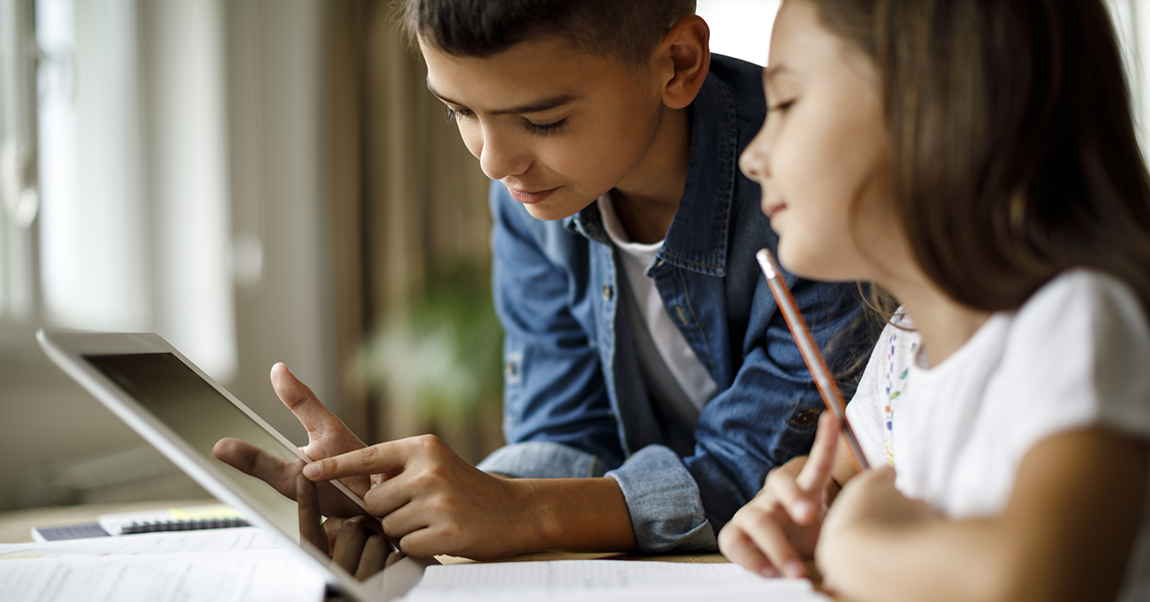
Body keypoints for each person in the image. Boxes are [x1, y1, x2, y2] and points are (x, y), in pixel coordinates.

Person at [214, 0, 870, 563]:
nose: (495, 162)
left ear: (677, 64)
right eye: (458, 112)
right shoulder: (534, 196)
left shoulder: (815, 186)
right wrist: (402, 502)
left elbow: (751, 469)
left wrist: (521, 512)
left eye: (543, 121)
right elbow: (566, 435)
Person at [717, 0, 1150, 601]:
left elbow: (1038, 579)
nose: (752, 157)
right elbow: (843, 482)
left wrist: (855, 547)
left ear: (935, 106)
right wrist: (794, 507)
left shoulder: (1074, 322)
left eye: (786, 104)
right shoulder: (902, 345)